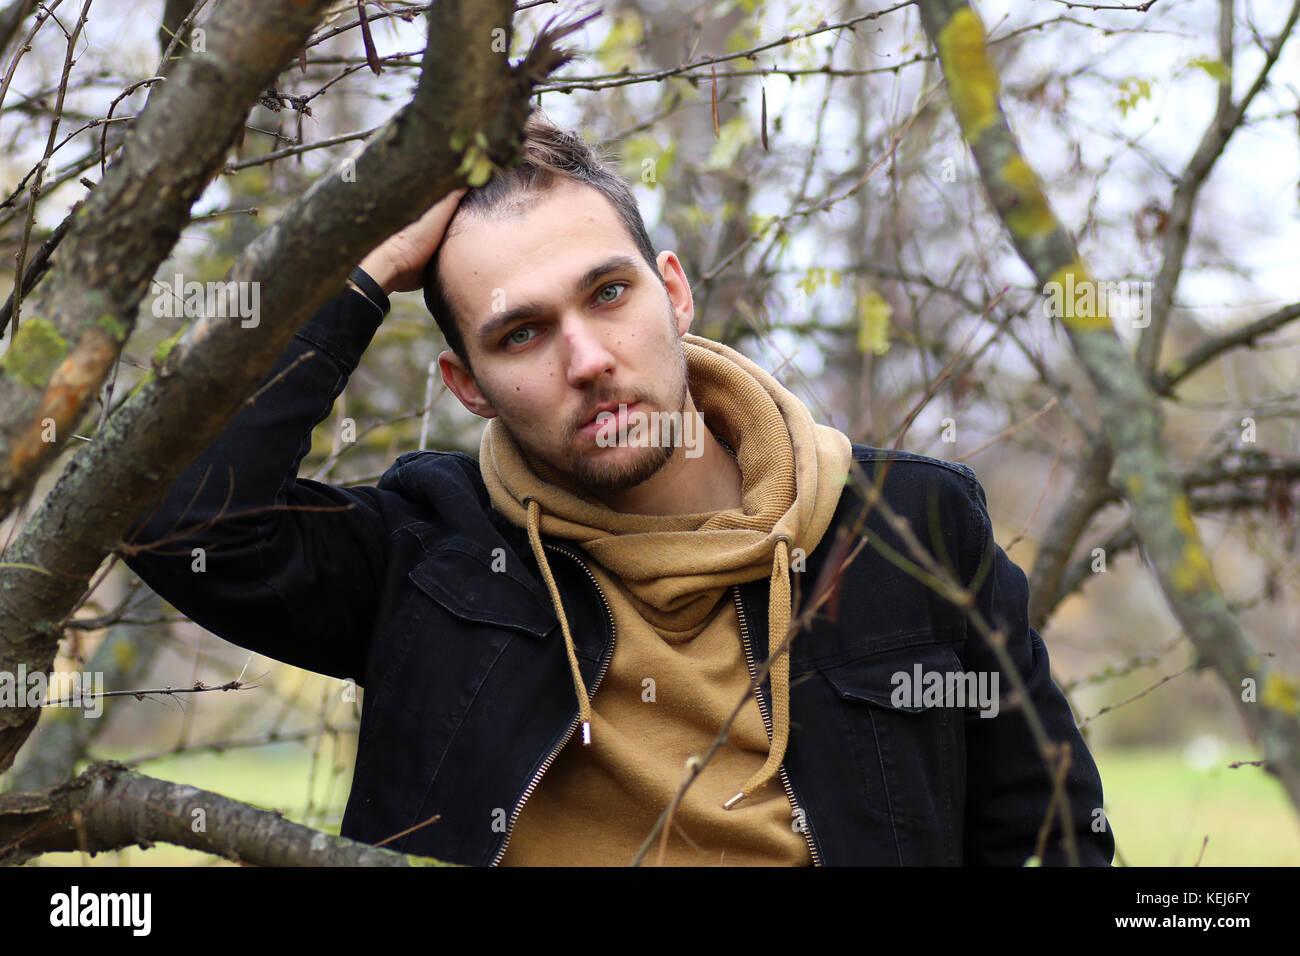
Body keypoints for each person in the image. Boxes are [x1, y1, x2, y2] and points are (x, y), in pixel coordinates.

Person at [122, 113, 1114, 866]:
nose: (588, 358)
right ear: (466, 384)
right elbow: (174, 517)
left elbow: (1050, 837)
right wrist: (361, 263)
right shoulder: (430, 551)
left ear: (672, 291)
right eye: (521, 332)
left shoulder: (909, 527)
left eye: (608, 292)